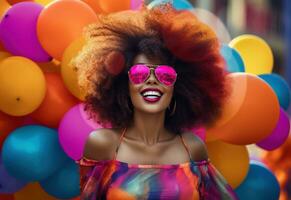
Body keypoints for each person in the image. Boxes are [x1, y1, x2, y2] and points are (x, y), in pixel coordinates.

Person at [73, 4, 237, 200]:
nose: (152, 80)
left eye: (164, 75)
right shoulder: (103, 144)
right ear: (124, 85)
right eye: (140, 73)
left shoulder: (192, 147)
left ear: (178, 86)